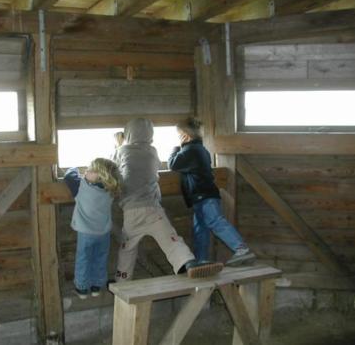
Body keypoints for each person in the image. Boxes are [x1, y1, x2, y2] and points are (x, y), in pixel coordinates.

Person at [113, 118, 223, 281]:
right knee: (172, 240)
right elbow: (155, 166)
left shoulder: (122, 151)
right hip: (153, 209)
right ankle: (189, 264)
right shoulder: (152, 151)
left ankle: (121, 279)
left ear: (128, 133)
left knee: (127, 248)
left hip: (132, 211)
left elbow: (115, 167)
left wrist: (118, 144)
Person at [168, 117, 256, 266]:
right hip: (202, 196)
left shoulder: (191, 150)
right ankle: (202, 260)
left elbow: (173, 164)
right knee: (200, 229)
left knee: (214, 221)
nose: (178, 138)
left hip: (204, 195)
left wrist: (176, 148)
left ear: (185, 135)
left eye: (179, 135)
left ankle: (242, 248)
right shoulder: (199, 149)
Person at [64, 158, 122, 299]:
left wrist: (74, 167)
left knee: (83, 259)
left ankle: (82, 288)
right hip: (103, 234)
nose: (86, 171)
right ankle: (96, 287)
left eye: (90, 170)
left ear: (100, 176)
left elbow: (69, 175)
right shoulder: (110, 191)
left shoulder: (81, 187)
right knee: (100, 259)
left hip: (86, 233)